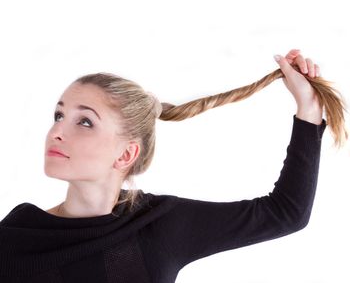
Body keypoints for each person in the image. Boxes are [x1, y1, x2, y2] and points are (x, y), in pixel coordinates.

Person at [0, 50, 329, 282]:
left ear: (126, 155)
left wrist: (309, 110)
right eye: (58, 116)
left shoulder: (161, 226)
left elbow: (285, 214)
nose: (56, 132)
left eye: (84, 122)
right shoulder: (16, 236)